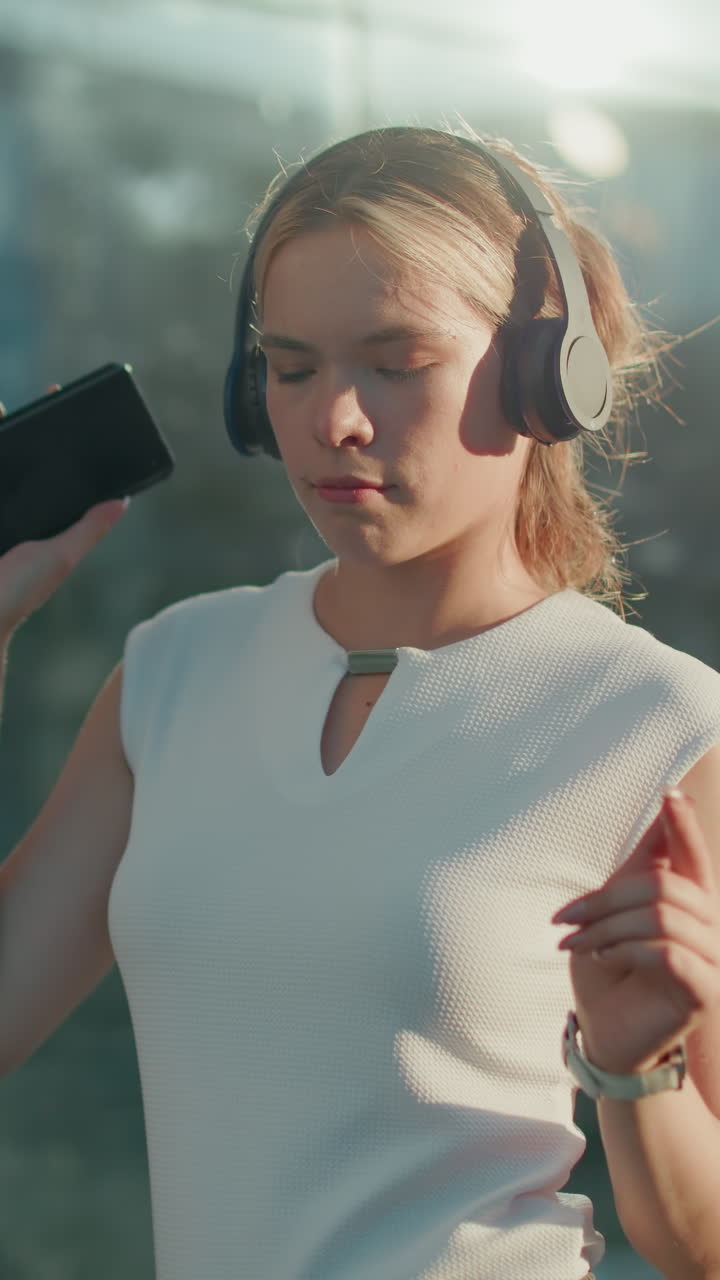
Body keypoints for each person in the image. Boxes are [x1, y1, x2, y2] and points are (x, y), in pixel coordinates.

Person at [1, 124, 720, 1280]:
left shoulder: (657, 724)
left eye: (396, 361)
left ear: (547, 372)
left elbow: (702, 1246)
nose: (335, 419)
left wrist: (638, 1070)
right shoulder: (172, 669)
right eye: (292, 368)